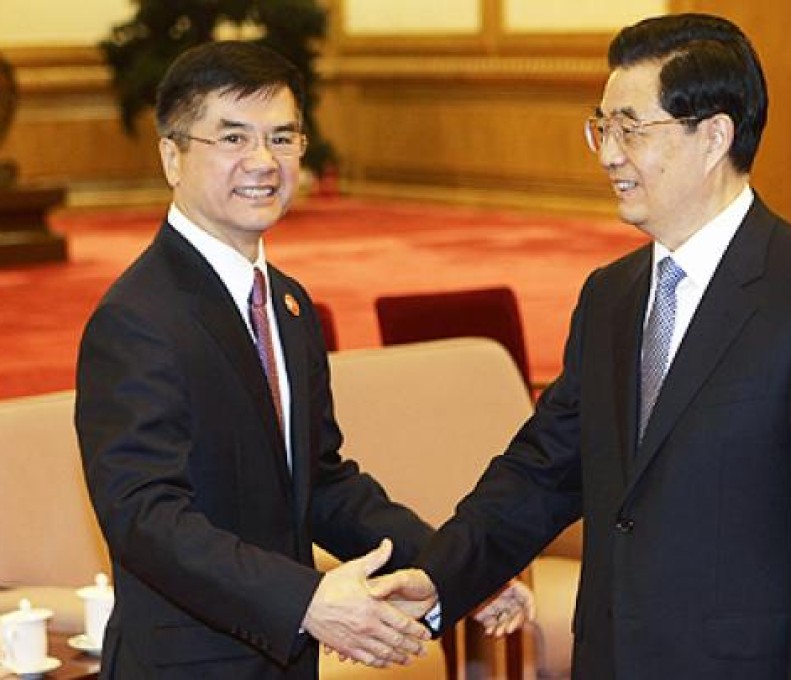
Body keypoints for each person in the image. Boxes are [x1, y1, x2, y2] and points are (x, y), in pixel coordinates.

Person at [381, 13, 791, 680]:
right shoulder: (611, 297)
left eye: (631, 129)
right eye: (602, 127)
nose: (608, 154)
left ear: (713, 135)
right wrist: (440, 576)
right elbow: (543, 469)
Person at [74, 40, 527, 679]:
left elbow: (321, 483)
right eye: (232, 139)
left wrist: (456, 568)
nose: (263, 161)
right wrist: (305, 600)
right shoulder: (139, 317)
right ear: (172, 156)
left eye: (282, 139)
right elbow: (143, 517)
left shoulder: (285, 303)